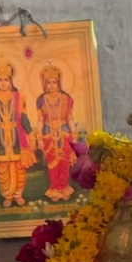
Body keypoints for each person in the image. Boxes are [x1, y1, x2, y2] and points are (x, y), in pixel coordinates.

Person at [0, 57, 36, 208]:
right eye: (0, 80)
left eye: (6, 79)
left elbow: (24, 118)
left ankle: (17, 195)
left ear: (11, 81)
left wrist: (31, 136)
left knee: (19, 168)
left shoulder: (20, 98)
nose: (3, 82)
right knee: (2, 170)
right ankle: (7, 195)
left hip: (18, 138)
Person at [36, 64, 76, 201]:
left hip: (64, 133)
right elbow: (40, 119)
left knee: (64, 163)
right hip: (48, 135)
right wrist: (39, 137)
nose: (52, 85)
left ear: (59, 83)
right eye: (49, 82)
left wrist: (74, 134)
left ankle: (64, 188)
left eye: (54, 82)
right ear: (44, 84)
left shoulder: (66, 98)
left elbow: (70, 117)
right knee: (52, 164)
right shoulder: (41, 100)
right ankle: (54, 189)